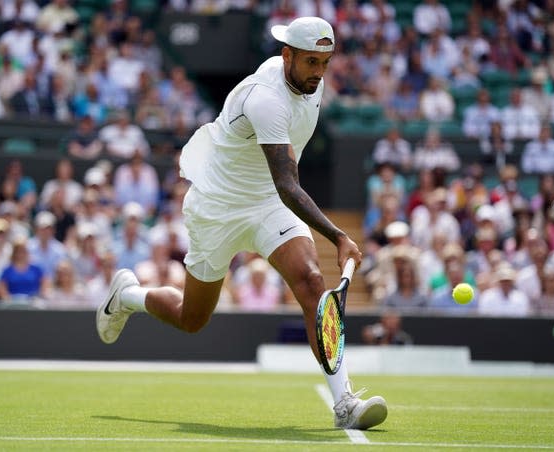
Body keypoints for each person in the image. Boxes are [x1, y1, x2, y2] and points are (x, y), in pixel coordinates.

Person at [95, 17, 387, 430]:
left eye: (324, 62)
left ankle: (345, 403)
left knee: (310, 282)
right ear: (287, 55)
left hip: (268, 204)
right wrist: (338, 236)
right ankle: (128, 296)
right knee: (191, 318)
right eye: (310, 62)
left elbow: (279, 190)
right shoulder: (266, 98)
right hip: (218, 207)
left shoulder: (311, 81)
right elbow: (288, 184)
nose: (318, 72)